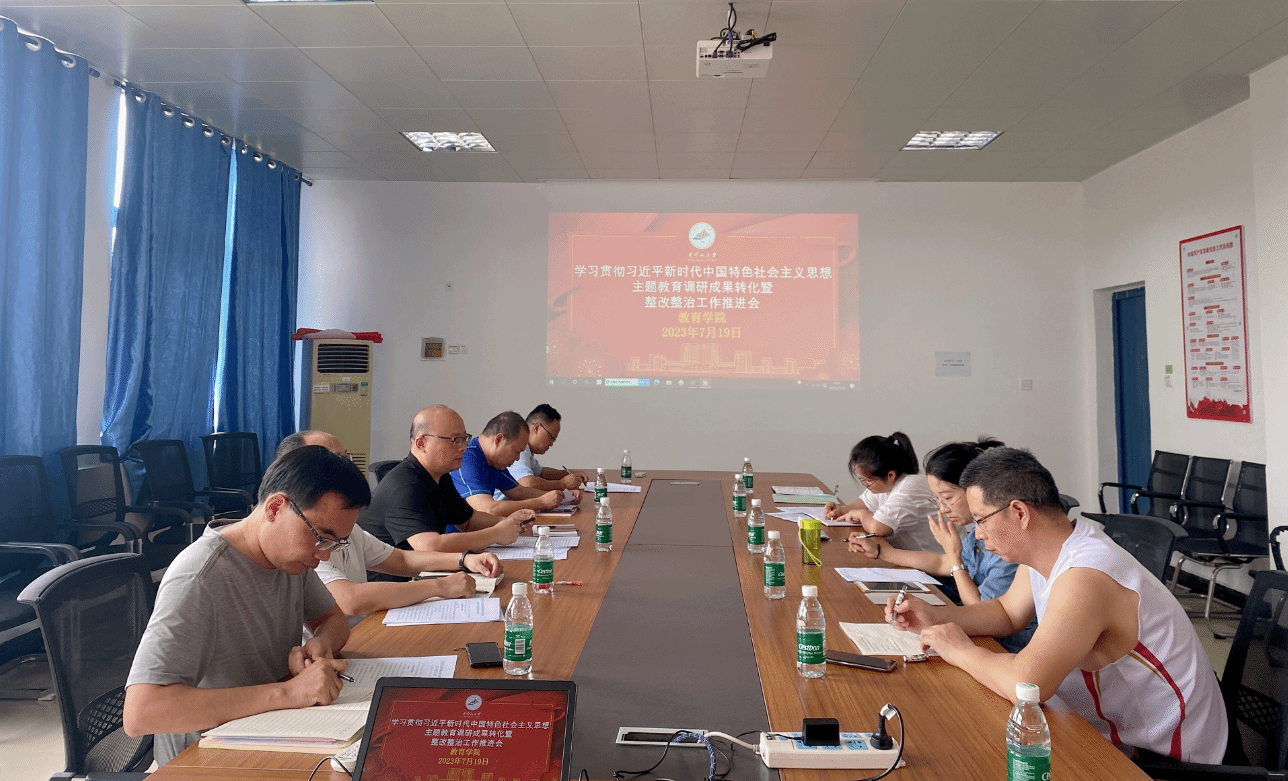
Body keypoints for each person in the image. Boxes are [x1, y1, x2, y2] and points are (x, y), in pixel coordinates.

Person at [888, 447, 1227, 764]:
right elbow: (1007, 613)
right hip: (1110, 731)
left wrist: (959, 649)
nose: (977, 534)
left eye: (981, 520)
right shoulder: (1057, 547)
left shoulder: (1086, 575)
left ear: (1019, 513)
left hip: (1162, 758)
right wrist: (935, 615)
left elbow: (1027, 685)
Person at [124, 446, 369, 764]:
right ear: (276, 508)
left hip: (275, 730)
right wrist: (289, 693)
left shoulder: (288, 558)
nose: (323, 555)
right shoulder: (199, 578)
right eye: (320, 536)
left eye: (335, 543)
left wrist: (321, 644)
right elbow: (142, 712)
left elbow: (333, 619)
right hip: (207, 758)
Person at [279, 430, 503, 622]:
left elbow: (401, 560)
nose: (347, 467)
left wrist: (464, 560)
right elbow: (349, 600)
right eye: (333, 461)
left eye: (345, 457)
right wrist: (439, 586)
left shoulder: (347, 527)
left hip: (361, 633)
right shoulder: (303, 537)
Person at [848, 438, 1035, 651]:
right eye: (937, 500)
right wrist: (881, 551)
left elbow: (984, 613)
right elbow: (940, 563)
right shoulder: (978, 533)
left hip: (1001, 646)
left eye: (947, 497)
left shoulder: (1007, 541)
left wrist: (955, 559)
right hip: (981, 635)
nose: (943, 509)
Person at [357, 405, 535, 554]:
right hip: (391, 581)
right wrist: (495, 534)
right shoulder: (405, 485)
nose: (463, 447)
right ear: (421, 443)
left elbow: (468, 521)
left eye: (464, 439)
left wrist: (508, 523)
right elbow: (430, 546)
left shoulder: (440, 477)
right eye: (455, 440)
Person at [825, 431, 942, 552]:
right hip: (908, 556)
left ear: (890, 475)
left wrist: (861, 514)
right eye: (862, 479)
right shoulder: (887, 484)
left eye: (867, 480)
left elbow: (877, 528)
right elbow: (866, 502)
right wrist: (841, 510)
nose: (865, 484)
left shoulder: (909, 488)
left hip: (931, 559)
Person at [451, 411, 566, 515]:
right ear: (498, 440)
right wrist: (541, 502)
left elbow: (518, 492)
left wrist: (560, 497)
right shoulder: (466, 459)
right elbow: (488, 509)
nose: (517, 458)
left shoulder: (495, 462)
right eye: (516, 451)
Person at [505, 404, 589, 492]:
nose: (551, 444)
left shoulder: (527, 450)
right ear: (536, 428)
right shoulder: (519, 448)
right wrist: (562, 484)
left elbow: (542, 473)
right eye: (551, 437)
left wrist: (571, 474)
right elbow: (528, 483)